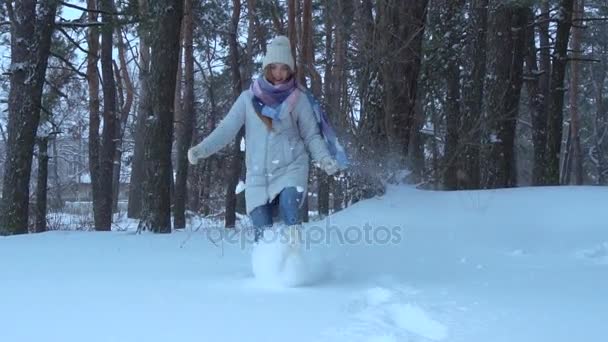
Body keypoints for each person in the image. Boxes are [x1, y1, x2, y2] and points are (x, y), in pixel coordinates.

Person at [187, 36, 339, 245]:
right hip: (258, 174)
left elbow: (311, 135)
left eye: (284, 68)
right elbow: (227, 129)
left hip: (291, 167)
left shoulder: (299, 99)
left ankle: (295, 262)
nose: (279, 74)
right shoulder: (248, 99)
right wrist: (201, 150)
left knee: (289, 205)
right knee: (262, 229)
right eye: (274, 67)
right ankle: (268, 271)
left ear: (290, 70)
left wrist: (324, 158)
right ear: (266, 67)